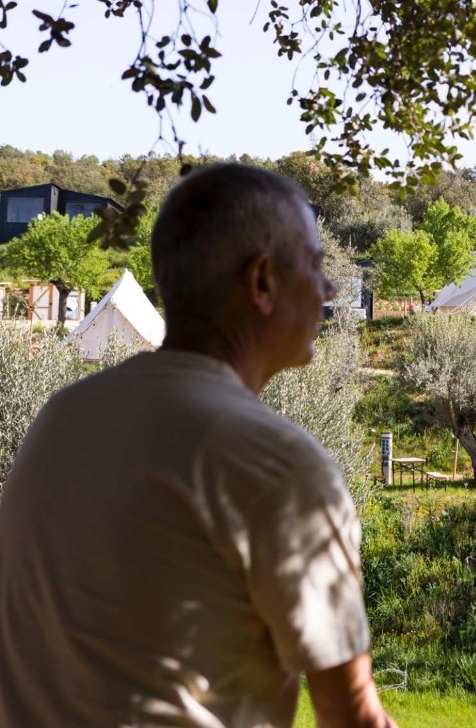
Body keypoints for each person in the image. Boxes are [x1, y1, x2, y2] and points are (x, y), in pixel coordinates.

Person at [0, 164, 396, 727]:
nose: (328, 290)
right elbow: (351, 716)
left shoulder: (62, 418)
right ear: (262, 283)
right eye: (315, 266)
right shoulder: (276, 461)